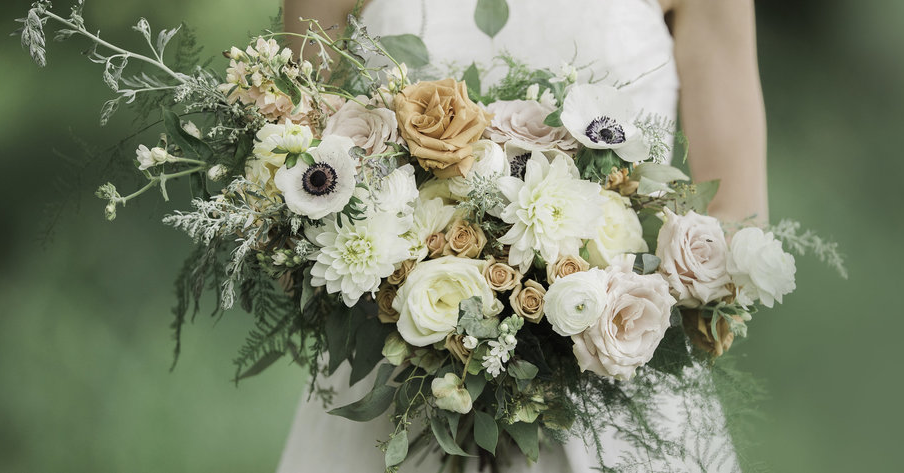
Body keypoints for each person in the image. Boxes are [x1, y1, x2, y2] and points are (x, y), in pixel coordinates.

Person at [276, 0, 767, 471]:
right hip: (395, 385)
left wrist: (588, 319)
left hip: (618, 395)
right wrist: (429, 302)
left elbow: (738, 212)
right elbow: (291, 160)